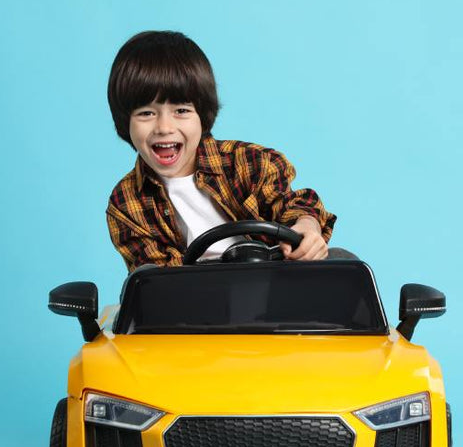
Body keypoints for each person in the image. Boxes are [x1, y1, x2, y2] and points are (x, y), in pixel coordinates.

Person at [105, 30, 336, 271]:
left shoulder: (250, 163)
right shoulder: (126, 202)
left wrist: (307, 226)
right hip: (192, 301)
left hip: (274, 290)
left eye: (181, 111)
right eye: (146, 114)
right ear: (125, 122)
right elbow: (159, 282)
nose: (164, 128)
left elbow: (292, 203)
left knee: (342, 262)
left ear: (202, 116)